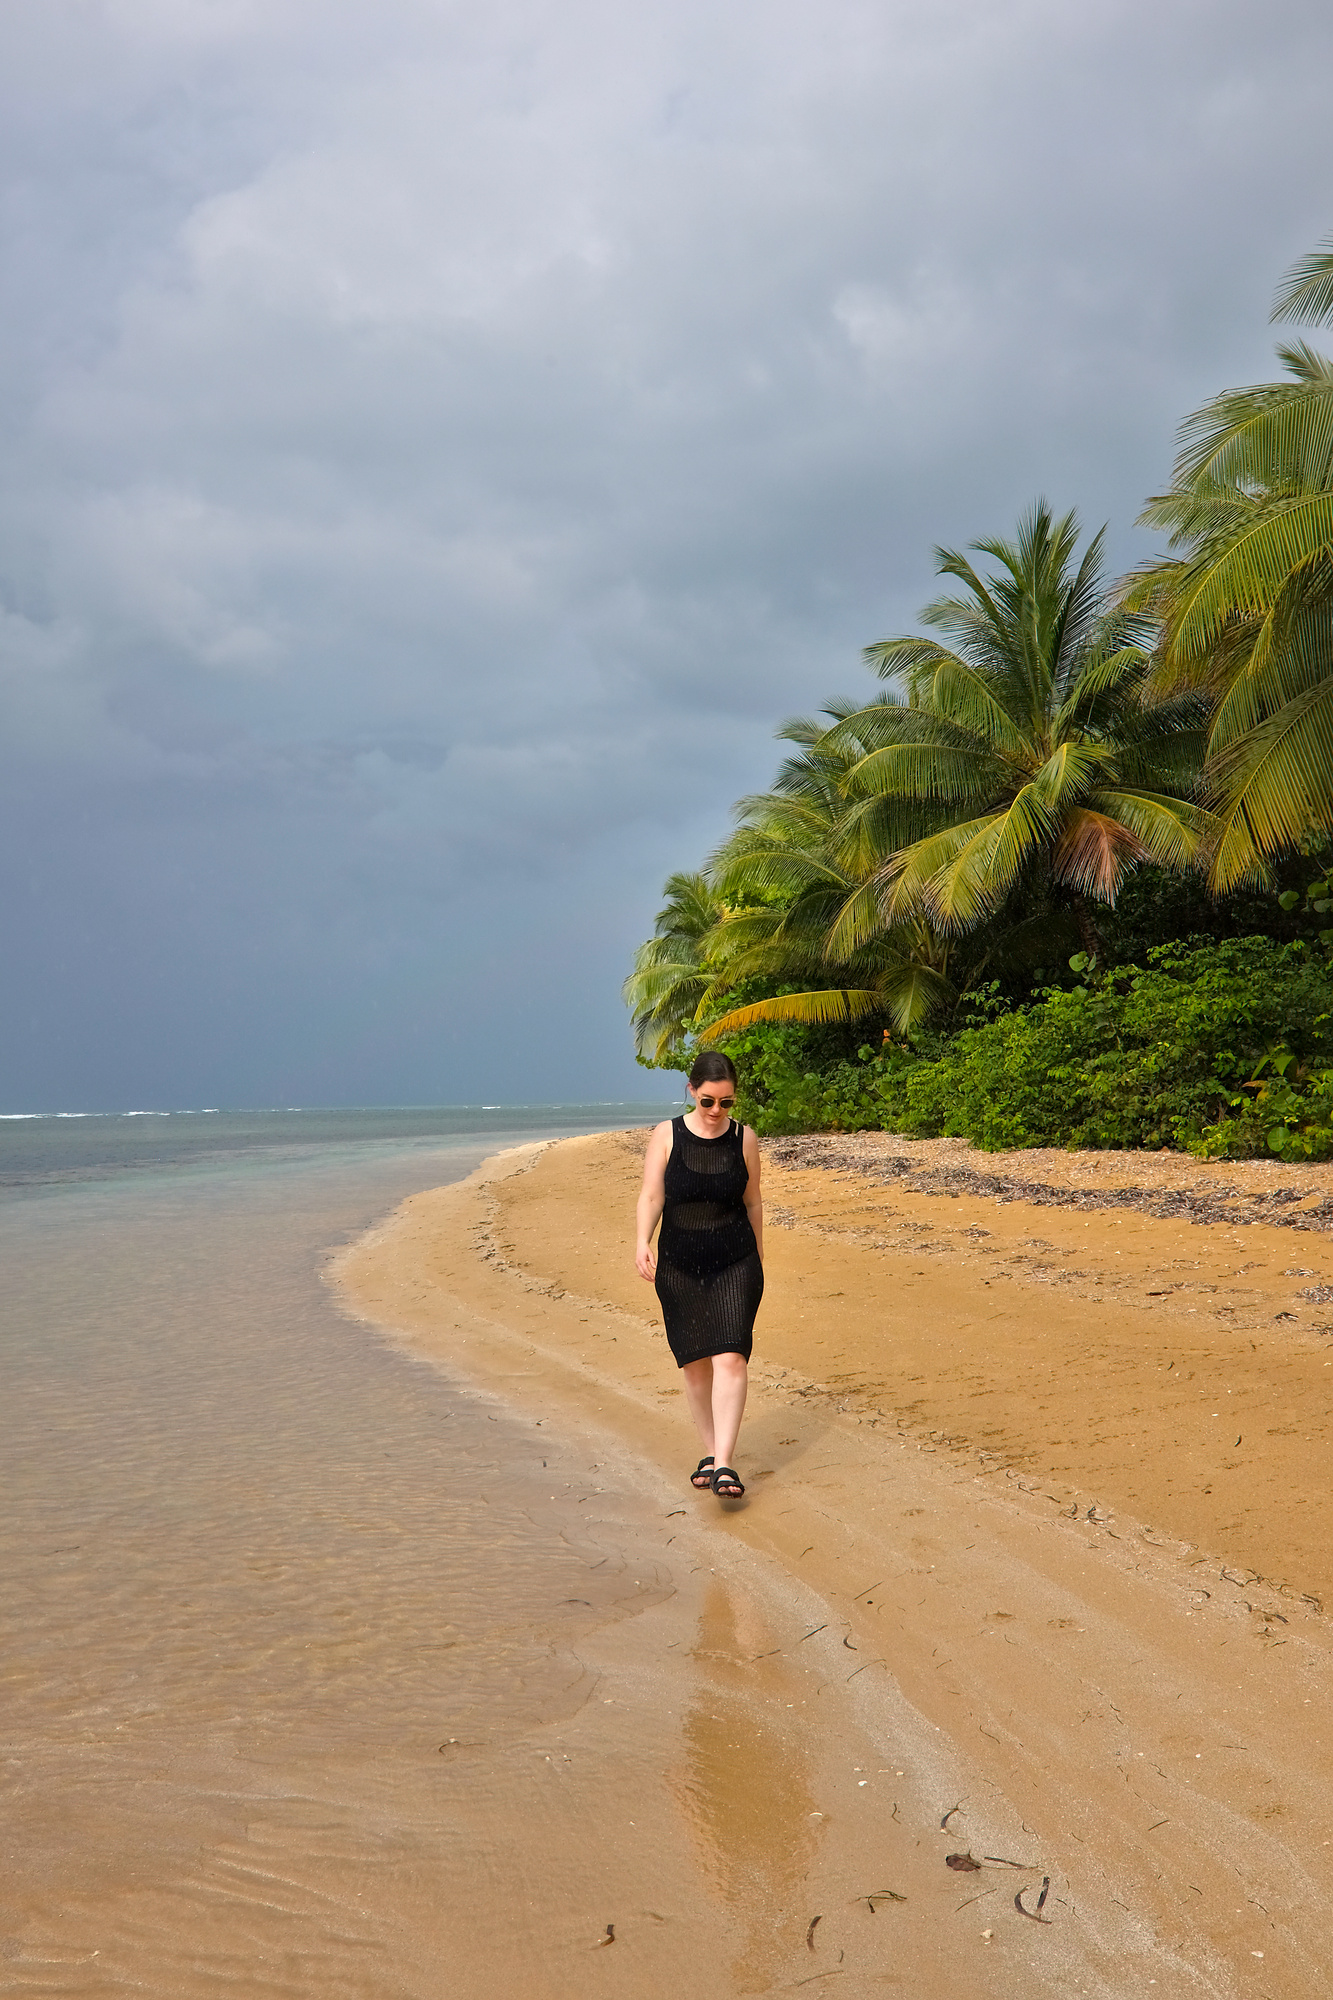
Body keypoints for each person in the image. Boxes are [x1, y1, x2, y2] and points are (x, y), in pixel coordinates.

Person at [635, 1051, 763, 1499]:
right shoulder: (667, 1135)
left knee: (731, 1357)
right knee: (694, 1366)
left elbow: (753, 1202)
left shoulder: (744, 1139)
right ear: (692, 1091)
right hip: (679, 1266)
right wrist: (641, 1242)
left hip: (735, 1260)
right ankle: (711, 1453)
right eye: (709, 1101)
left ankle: (725, 1463)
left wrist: (759, 1258)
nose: (716, 1112)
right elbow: (652, 1196)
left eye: (726, 1103)